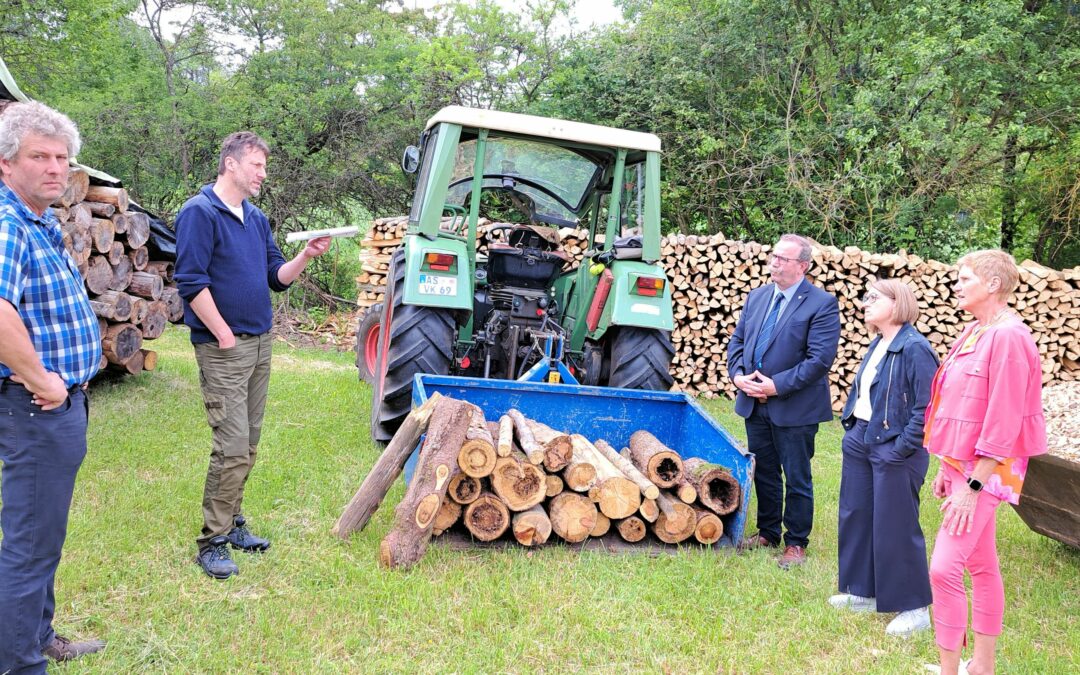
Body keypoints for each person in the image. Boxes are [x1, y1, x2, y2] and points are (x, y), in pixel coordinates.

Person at [175, 131, 330, 580]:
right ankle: (212, 541)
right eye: (257, 165)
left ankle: (234, 521)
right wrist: (222, 334)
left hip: (260, 344)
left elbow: (276, 278)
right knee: (231, 446)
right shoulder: (199, 213)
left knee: (249, 443)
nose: (263, 173)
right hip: (225, 347)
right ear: (230, 164)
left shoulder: (256, 218)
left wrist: (305, 254)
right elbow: (191, 282)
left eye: (264, 166)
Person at [0, 101, 106, 671]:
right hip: (37, 407)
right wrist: (45, 380)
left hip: (57, 406)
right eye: (39, 155)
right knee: (29, 546)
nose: (54, 167)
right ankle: (20, 663)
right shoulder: (7, 223)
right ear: (5, 163)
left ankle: (36, 637)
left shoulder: (38, 219)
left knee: (42, 537)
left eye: (62, 158)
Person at [923, 250, 1047, 675]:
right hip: (964, 466)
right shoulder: (975, 331)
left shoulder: (1009, 337)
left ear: (993, 284)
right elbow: (958, 402)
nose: (956, 285)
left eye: (964, 278)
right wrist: (946, 465)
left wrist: (972, 489)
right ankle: (983, 668)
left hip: (987, 471)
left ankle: (950, 670)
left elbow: (1003, 418)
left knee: (943, 570)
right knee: (982, 564)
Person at [726, 233, 840, 568]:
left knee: (796, 475)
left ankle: (796, 542)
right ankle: (767, 532)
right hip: (754, 402)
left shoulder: (821, 304)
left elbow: (819, 360)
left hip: (794, 406)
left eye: (783, 259)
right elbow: (738, 341)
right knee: (765, 472)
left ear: (802, 265)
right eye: (773, 256)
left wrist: (777, 386)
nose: (774, 262)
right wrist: (737, 375)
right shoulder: (758, 296)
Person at [833, 278, 938, 636]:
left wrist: (903, 447)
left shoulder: (915, 348)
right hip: (862, 437)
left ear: (898, 303)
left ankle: (914, 608)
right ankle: (862, 592)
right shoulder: (878, 343)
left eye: (874, 297)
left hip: (894, 446)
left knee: (896, 525)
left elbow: (928, 406)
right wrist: (852, 431)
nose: (865, 302)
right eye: (866, 297)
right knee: (856, 514)